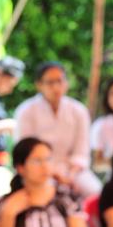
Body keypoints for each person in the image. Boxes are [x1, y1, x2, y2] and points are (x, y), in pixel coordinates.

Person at [15, 62, 101, 198]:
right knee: (47, 195)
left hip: (72, 170)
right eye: (50, 82)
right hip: (38, 170)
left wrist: (70, 175)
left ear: (66, 83)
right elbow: (25, 151)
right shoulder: (26, 111)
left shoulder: (79, 110)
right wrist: (52, 173)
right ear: (39, 85)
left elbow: (81, 152)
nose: (56, 87)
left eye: (59, 81)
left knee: (95, 192)